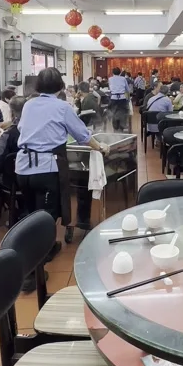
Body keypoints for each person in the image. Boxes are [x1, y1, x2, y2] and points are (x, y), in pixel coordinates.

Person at [15, 68, 109, 275]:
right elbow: (83, 135)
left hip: (22, 167)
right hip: (45, 167)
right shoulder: (62, 107)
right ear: (60, 87)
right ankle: (35, 266)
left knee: (31, 212)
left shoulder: (29, 104)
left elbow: (22, 129)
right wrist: (100, 147)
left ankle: (44, 248)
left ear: (38, 86)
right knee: (47, 215)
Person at [108, 66, 130, 131]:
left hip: (113, 98)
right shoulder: (123, 79)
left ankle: (115, 127)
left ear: (112, 72)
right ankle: (122, 127)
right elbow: (127, 90)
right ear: (120, 72)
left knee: (114, 113)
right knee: (123, 113)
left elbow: (110, 89)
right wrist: (128, 99)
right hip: (122, 98)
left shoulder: (110, 79)